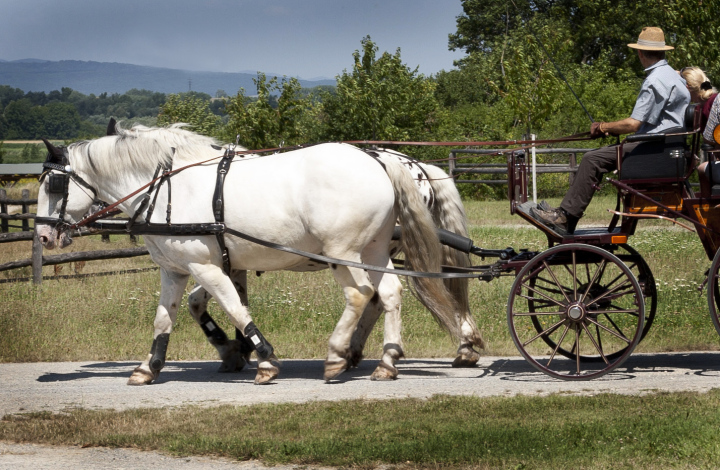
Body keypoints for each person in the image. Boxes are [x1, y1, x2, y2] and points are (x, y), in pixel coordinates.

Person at [532, 27, 691, 234]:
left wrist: (603, 126)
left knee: (592, 159)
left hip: (654, 149)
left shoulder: (654, 80)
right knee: (600, 155)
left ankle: (565, 217)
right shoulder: (675, 76)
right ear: (663, 52)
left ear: (640, 53)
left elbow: (634, 124)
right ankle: (566, 216)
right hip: (667, 147)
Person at [680, 67, 718, 195]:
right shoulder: (713, 99)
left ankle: (707, 210)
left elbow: (709, 138)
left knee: (702, 168)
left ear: (687, 87)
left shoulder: (712, 105)